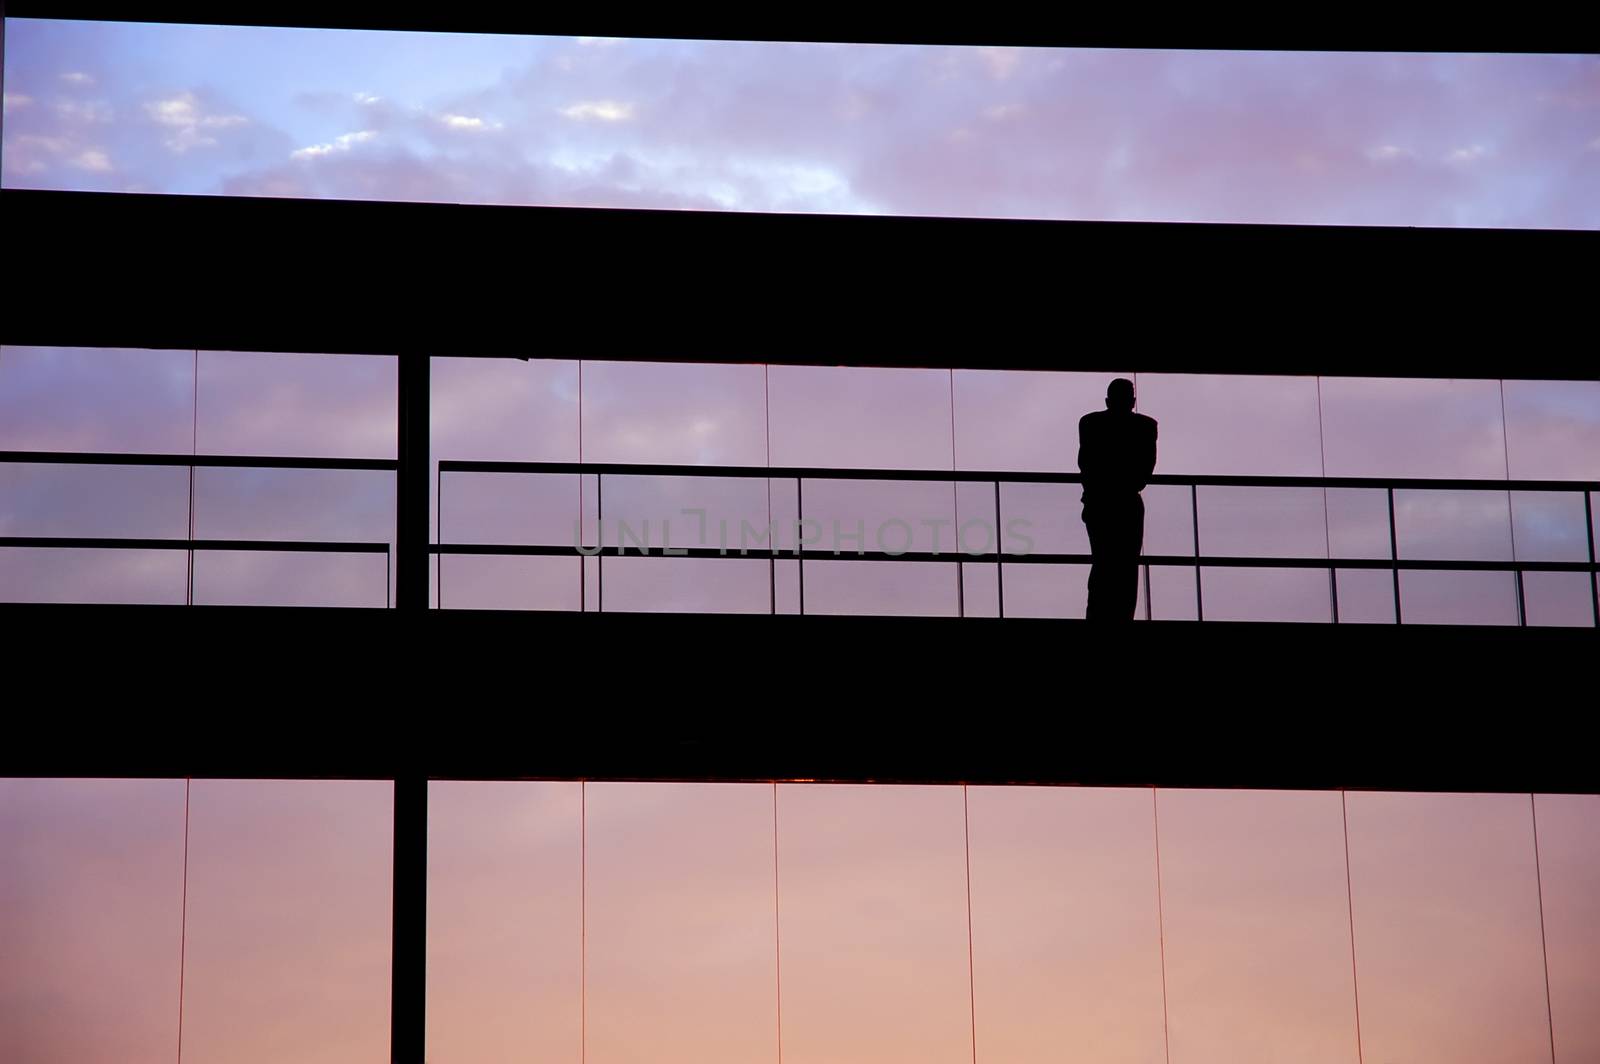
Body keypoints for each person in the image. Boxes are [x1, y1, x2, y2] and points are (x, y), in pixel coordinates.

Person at [1077, 378, 1157, 621]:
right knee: (1125, 568)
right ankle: (1122, 617)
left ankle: (1098, 616)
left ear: (1107, 401)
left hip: (1100, 502)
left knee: (1103, 564)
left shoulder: (1090, 423)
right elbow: (1145, 472)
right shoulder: (1145, 426)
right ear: (1133, 401)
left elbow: (1086, 465)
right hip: (1126, 504)